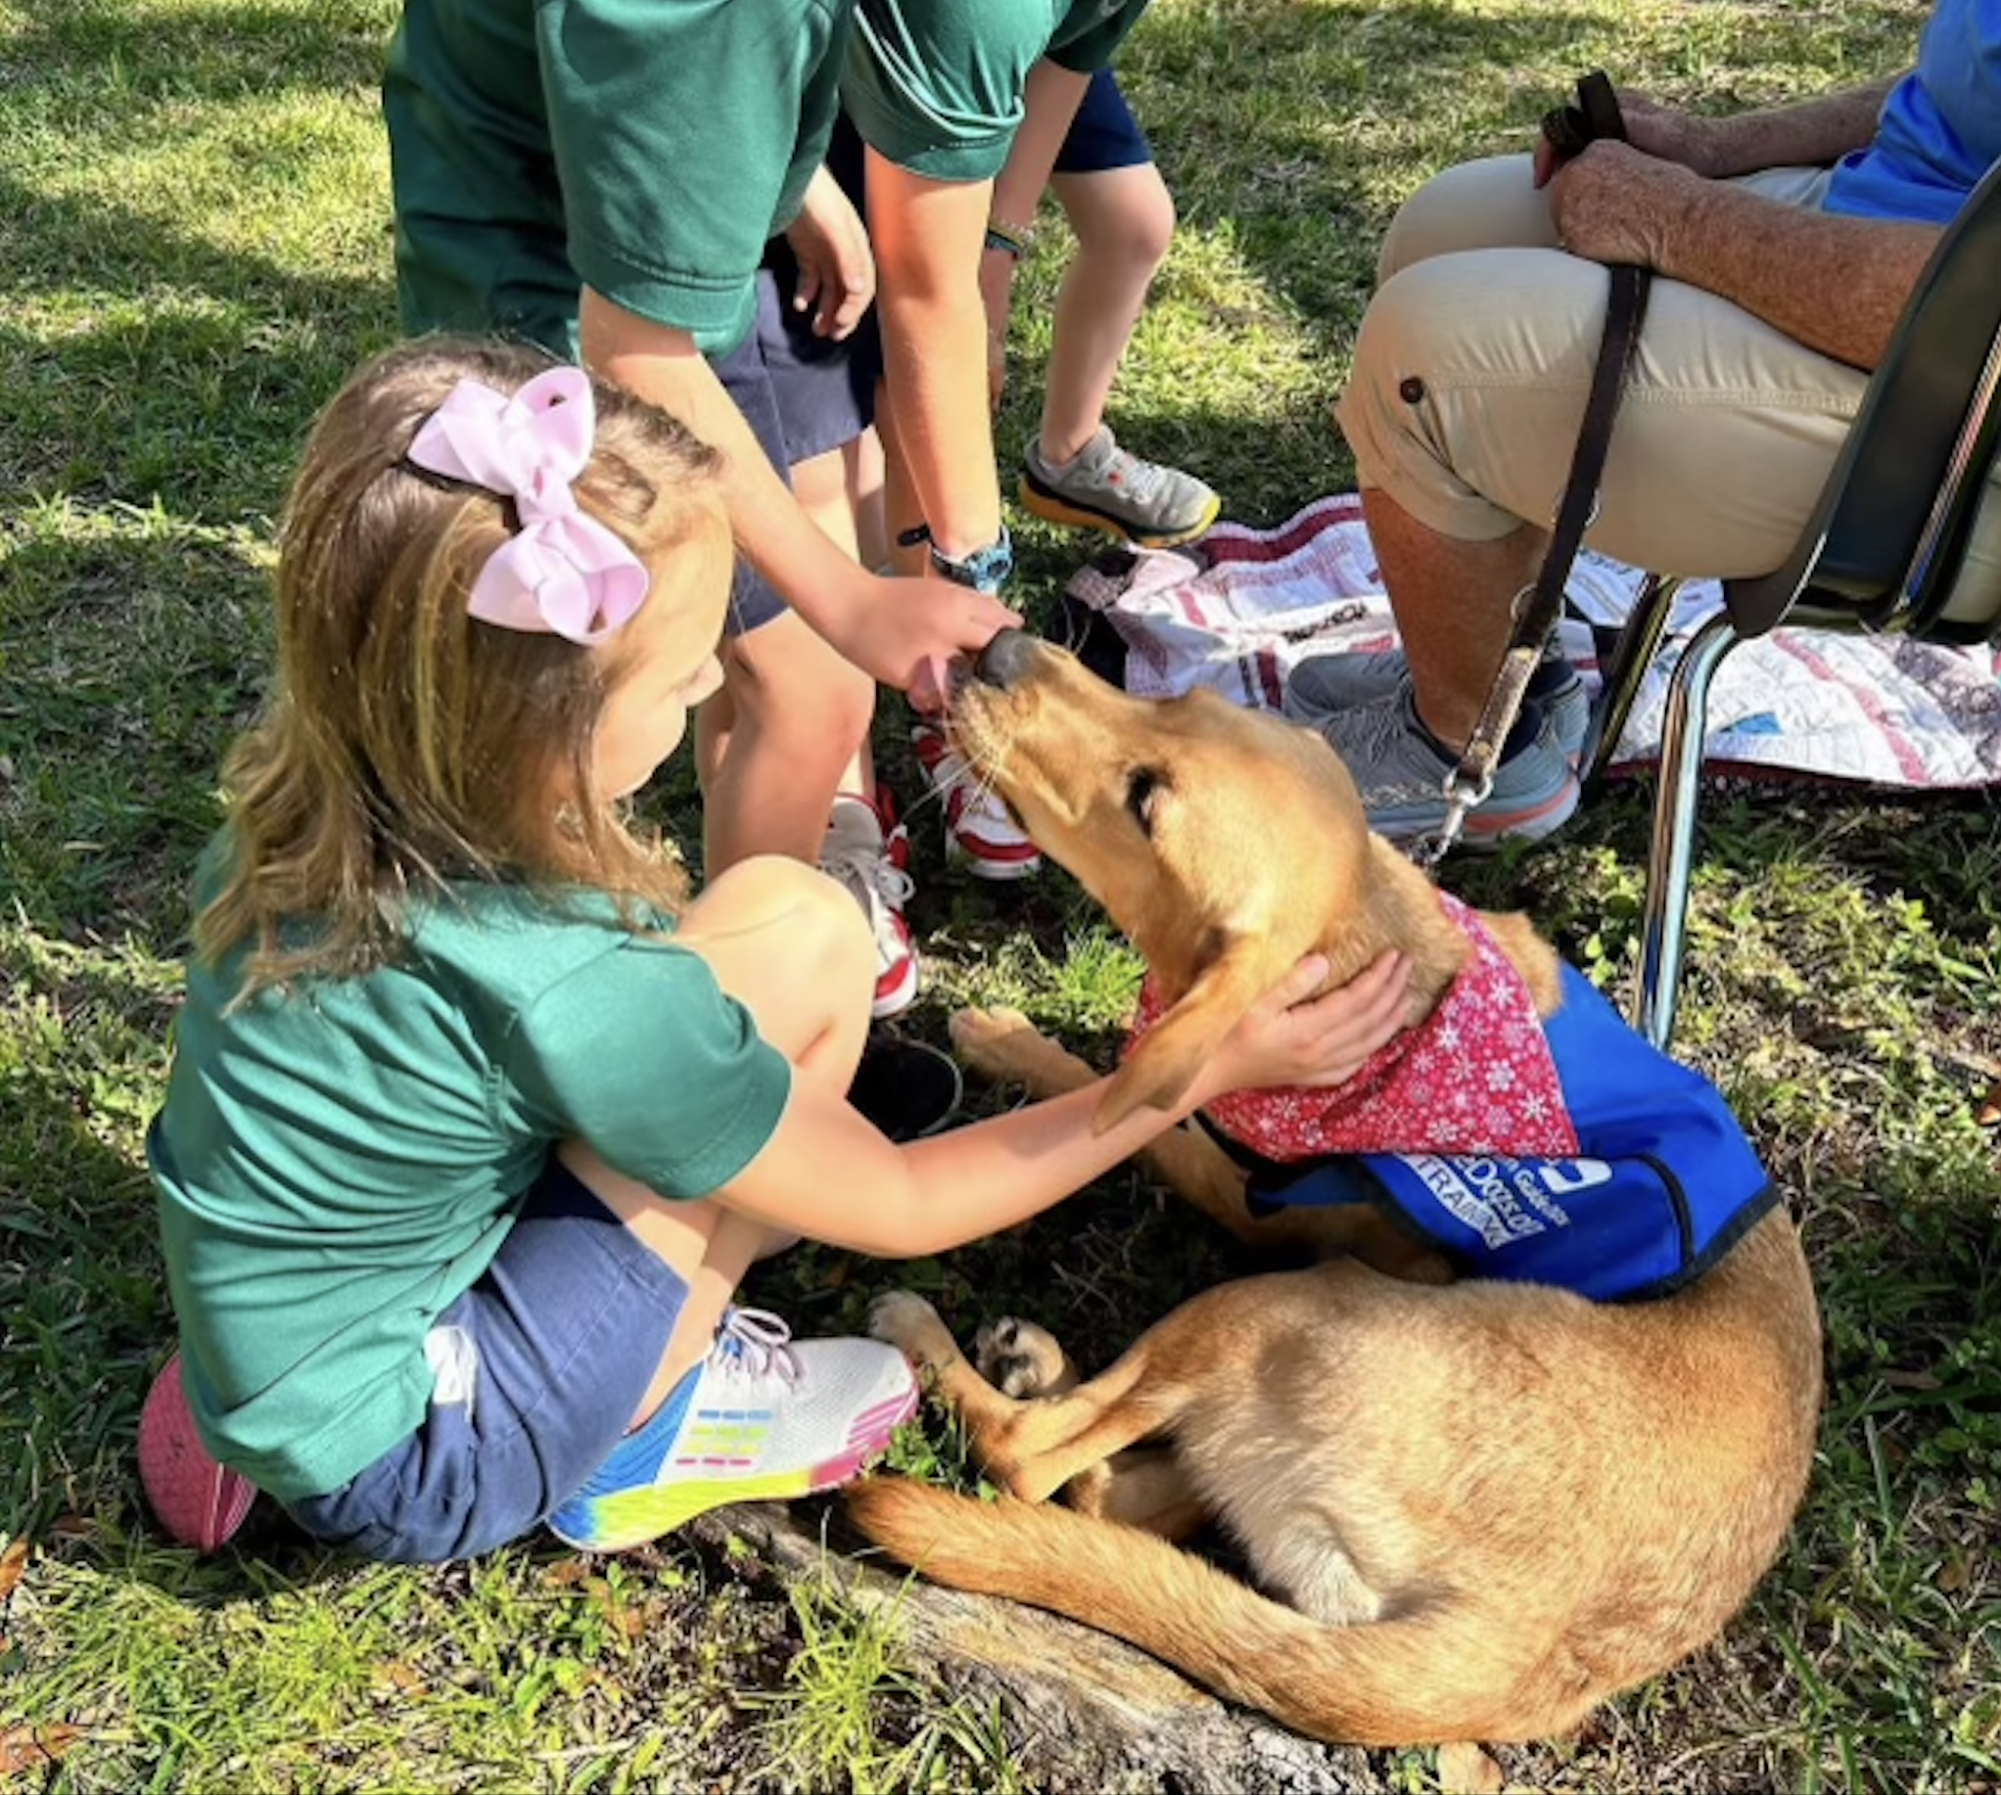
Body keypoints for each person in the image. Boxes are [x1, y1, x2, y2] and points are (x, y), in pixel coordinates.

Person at [138, 339, 1414, 1564]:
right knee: (749, 1084)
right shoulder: (563, 986)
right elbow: (906, 1206)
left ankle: (255, 1390)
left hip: (284, 1313)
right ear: (551, 727)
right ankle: (650, 1424)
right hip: (429, 1448)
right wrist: (1190, 1074)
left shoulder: (310, 810)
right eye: (687, 673)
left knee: (797, 916)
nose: (706, 692)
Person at [381, 0, 1019, 1015]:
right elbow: (633, 345)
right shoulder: (717, 20)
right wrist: (850, 606)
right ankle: (727, 1048)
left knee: (796, 647)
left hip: (682, 192)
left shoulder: (729, 47)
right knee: (802, 689)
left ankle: (735, 1011)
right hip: (561, 272)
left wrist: (786, 170)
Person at [1285, 0, 2001, 849]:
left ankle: (1470, 752)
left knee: (1426, 358)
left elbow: (1973, 312)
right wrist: (1714, 149)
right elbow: (1962, 85)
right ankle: (1492, 671)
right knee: (1446, 228)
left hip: (1955, 420)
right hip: (1904, 248)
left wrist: (1679, 219)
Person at [906, 61, 1221, 881]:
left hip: (1028, 58)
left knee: (1133, 224)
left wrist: (998, 240)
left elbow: (1071, 45)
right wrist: (982, 259)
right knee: (920, 348)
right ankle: (926, 638)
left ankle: (1069, 456)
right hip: (925, 70)